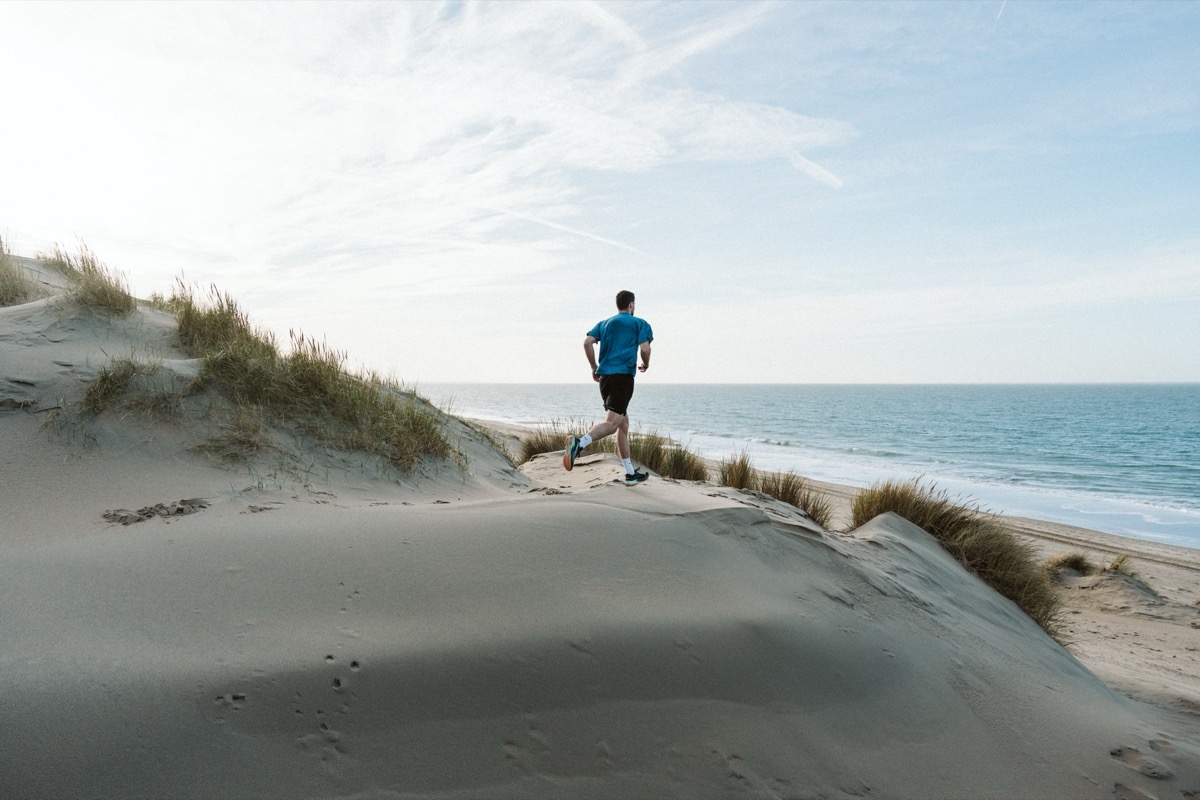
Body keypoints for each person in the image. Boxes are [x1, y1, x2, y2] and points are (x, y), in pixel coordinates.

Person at [563, 290, 653, 486]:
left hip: (605, 378)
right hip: (623, 377)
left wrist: (594, 367)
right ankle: (579, 444)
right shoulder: (639, 323)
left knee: (623, 423)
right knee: (612, 424)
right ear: (631, 305)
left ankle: (630, 473)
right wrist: (646, 363)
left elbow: (587, 342)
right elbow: (645, 348)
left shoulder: (604, 324)